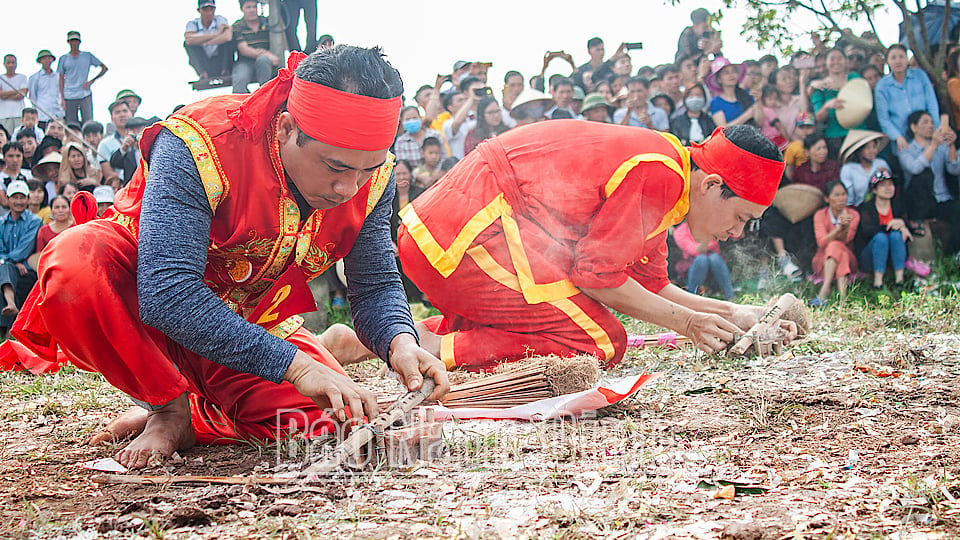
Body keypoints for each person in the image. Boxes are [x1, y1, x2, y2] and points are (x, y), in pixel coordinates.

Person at [11, 46, 449, 469]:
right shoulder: (201, 142)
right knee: (74, 262)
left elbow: (374, 284)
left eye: (366, 169)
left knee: (324, 422)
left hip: (248, 322)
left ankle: (202, 418)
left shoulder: (376, 175)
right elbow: (167, 294)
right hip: (140, 302)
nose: (348, 189)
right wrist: (295, 365)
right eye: (335, 167)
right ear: (285, 129)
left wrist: (400, 342)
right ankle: (167, 406)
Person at [396, 123, 796, 371]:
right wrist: (687, 324)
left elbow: (652, 285)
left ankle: (382, 340)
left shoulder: (670, 171)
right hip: (465, 233)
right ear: (711, 185)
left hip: (460, 231)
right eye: (742, 218)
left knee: (560, 324)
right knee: (597, 339)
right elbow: (597, 278)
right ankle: (434, 348)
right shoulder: (660, 173)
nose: (738, 233)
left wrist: (737, 313)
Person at [899, 110, 960, 263]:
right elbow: (914, 168)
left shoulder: (942, 147)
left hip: (942, 198)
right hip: (920, 203)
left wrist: (952, 145)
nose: (930, 125)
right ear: (914, 128)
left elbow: (954, 169)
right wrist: (933, 145)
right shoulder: (906, 148)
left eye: (932, 122)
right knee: (923, 174)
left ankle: (951, 255)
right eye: (925, 122)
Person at [875, 44, 940, 154]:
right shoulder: (882, 86)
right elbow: (883, 118)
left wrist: (936, 128)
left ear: (907, 59)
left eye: (901, 56)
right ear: (887, 62)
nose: (898, 61)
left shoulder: (920, 76)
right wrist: (897, 137)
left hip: (927, 135)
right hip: (902, 140)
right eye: (893, 58)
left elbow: (932, 104)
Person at [855, 170, 911, 289]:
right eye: (883, 185)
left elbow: (907, 228)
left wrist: (903, 225)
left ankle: (899, 281)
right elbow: (867, 231)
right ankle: (878, 283)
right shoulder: (866, 208)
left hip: (892, 256)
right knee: (880, 238)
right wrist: (891, 224)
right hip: (870, 257)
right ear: (874, 190)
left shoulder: (898, 206)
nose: (888, 188)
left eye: (890, 184)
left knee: (896, 236)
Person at [811, 180, 859, 306]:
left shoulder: (853, 215)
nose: (841, 199)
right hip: (822, 261)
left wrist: (846, 227)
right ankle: (843, 297)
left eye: (843, 194)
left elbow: (846, 240)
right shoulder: (820, 215)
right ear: (827, 198)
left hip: (848, 259)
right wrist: (838, 228)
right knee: (834, 247)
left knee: (836, 246)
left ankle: (823, 292)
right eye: (836, 195)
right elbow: (821, 243)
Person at [0, 180, 41, 318]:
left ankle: (9, 315)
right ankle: (9, 320)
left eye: (22, 197)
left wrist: (9, 262)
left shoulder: (34, 221)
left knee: (5, 270)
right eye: (15, 197)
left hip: (26, 271)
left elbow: (24, 249)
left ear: (28, 199)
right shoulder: (1, 222)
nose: (18, 201)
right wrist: (11, 263)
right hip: (9, 268)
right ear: (7, 198)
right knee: (6, 270)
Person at [810, 48, 861, 157]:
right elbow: (818, 117)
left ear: (846, 61)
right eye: (832, 59)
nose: (836, 62)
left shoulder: (854, 78)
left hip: (858, 133)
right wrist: (827, 106)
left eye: (840, 58)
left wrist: (841, 87)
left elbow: (863, 95)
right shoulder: (820, 87)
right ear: (826, 63)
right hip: (835, 138)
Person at [672, 221, 734, 299]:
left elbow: (713, 243)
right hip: (694, 266)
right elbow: (694, 250)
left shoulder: (711, 225)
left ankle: (730, 295)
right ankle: (692, 295)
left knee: (714, 258)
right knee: (702, 259)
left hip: (715, 266)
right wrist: (706, 236)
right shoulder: (680, 231)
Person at [57, 31, 107, 125]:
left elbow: (104, 68)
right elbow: (60, 78)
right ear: (69, 42)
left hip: (84, 94)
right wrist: (62, 98)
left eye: (76, 40)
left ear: (79, 42)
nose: (74, 43)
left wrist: (91, 81)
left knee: (88, 123)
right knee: (71, 124)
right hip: (69, 95)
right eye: (72, 41)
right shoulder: (64, 59)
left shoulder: (87, 56)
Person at [231, 0, 280, 93]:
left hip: (265, 61)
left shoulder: (267, 22)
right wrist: (265, 54)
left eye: (254, 7)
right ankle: (244, 104)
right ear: (242, 9)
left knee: (263, 61)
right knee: (240, 79)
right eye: (248, 7)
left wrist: (266, 56)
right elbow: (244, 49)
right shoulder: (238, 26)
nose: (252, 10)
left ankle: (265, 96)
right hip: (245, 61)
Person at [184, 0, 234, 81]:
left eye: (211, 10)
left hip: (220, 60)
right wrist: (216, 35)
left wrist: (204, 41)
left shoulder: (219, 19)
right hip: (205, 62)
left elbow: (228, 37)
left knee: (230, 41)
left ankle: (225, 70)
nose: (208, 13)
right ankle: (202, 73)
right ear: (199, 10)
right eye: (205, 10)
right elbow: (189, 40)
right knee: (189, 45)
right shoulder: (193, 24)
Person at [839, 130, 890, 207]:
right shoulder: (848, 169)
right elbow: (848, 196)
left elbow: (889, 188)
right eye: (868, 148)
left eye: (874, 147)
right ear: (859, 151)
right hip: (858, 208)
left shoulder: (881, 164)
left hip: (880, 207)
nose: (872, 151)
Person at [707, 58, 755, 127]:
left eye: (733, 71)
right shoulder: (716, 102)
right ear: (719, 79)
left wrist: (758, 102)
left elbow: (760, 122)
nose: (731, 75)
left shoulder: (746, 95)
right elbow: (723, 128)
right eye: (726, 73)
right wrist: (746, 116)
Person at [27, 50, 64, 129]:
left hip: (58, 112)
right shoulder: (34, 78)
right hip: (42, 114)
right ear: (40, 61)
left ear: (52, 60)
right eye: (44, 58)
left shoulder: (58, 76)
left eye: (48, 58)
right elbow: (32, 97)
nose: (47, 61)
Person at [0, 55, 28, 136]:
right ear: (4, 64)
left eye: (13, 62)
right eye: (8, 62)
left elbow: (22, 94)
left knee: (20, 136)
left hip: (18, 114)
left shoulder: (22, 77)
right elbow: (0, 94)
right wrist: (16, 91)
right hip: (3, 115)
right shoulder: (1, 78)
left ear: (16, 64)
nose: (11, 65)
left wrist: (5, 95)